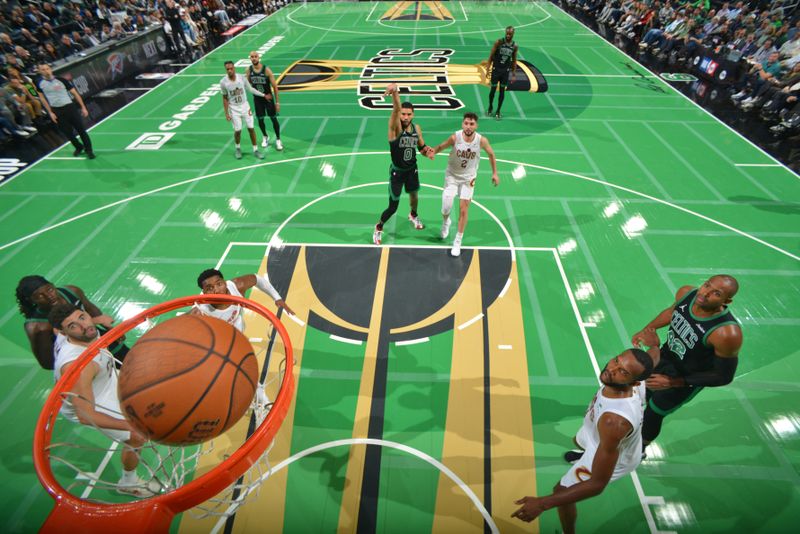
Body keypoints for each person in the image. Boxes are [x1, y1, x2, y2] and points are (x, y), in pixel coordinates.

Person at [511, 338, 660, 533]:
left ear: (634, 382)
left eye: (623, 372)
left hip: (614, 455)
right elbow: (653, 356)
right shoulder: (633, 380)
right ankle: (583, 453)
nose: (612, 369)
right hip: (597, 434)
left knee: (561, 492)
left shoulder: (614, 422)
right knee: (578, 440)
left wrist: (542, 504)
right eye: (616, 360)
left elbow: (597, 484)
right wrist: (655, 344)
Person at [48, 303, 155, 497]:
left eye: (82, 317)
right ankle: (128, 483)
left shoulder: (86, 330)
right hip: (93, 401)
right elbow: (85, 415)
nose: (83, 326)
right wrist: (128, 425)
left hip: (104, 378)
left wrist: (98, 320)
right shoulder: (77, 367)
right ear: (64, 333)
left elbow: (80, 324)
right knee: (137, 436)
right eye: (72, 326)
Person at [631, 275, 742, 452]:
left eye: (716, 293)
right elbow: (672, 311)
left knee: (653, 413)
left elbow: (724, 376)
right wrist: (647, 329)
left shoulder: (726, 333)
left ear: (726, 300)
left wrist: (673, 382)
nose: (705, 293)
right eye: (707, 285)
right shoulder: (687, 294)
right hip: (665, 358)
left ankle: (639, 450)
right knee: (640, 394)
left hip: (685, 378)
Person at [15, 275, 128, 370]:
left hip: (100, 340)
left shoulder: (71, 291)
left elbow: (93, 311)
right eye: (40, 296)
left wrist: (111, 329)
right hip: (81, 358)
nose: (49, 296)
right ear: (31, 300)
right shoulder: (38, 326)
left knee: (136, 364)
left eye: (49, 289)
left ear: (53, 285)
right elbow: (47, 363)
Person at [429, 112, 499, 257]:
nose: (468, 126)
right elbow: (442, 146)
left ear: (476, 125)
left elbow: (491, 154)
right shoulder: (456, 137)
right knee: (446, 207)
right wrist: (433, 151)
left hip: (468, 178)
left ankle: (458, 241)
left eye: (471, 124)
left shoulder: (481, 141)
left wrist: (495, 173)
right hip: (452, 176)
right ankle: (446, 222)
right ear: (462, 124)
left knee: (463, 209)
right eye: (466, 123)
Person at [372, 83, 434, 246]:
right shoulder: (395, 129)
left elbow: (420, 147)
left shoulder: (416, 128)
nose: (405, 117)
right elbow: (396, 110)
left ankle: (413, 214)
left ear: (413, 115)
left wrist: (427, 151)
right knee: (393, 207)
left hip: (412, 170)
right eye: (403, 114)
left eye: (409, 114)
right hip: (397, 173)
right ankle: (379, 226)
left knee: (414, 196)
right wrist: (395, 92)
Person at [192, 268, 294, 330]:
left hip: (236, 324)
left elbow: (257, 279)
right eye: (210, 288)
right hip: (217, 333)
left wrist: (277, 298)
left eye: (219, 284)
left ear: (225, 282)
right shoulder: (201, 310)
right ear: (204, 293)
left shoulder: (237, 286)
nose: (217, 290)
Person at [35, 63, 95, 159]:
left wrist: (83, 107)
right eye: (43, 69)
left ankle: (89, 150)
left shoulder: (61, 80)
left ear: (50, 69)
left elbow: (75, 93)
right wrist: (50, 112)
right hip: (56, 110)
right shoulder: (39, 83)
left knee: (81, 130)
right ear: (40, 71)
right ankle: (79, 147)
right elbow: (42, 98)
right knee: (67, 133)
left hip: (69, 107)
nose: (46, 71)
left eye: (47, 68)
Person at [221, 60, 266, 160]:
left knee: (251, 128)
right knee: (238, 130)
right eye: (227, 69)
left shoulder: (242, 78)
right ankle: (237, 148)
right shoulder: (223, 82)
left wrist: (263, 95)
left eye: (231, 68)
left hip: (245, 106)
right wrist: (226, 112)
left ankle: (255, 150)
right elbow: (224, 97)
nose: (229, 71)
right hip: (234, 108)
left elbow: (250, 89)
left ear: (234, 68)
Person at [246, 51, 283, 151]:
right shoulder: (248, 71)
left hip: (269, 99)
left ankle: (278, 139)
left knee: (273, 119)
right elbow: (248, 85)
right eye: (252, 57)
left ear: (259, 57)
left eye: (255, 56)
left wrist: (277, 102)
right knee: (260, 119)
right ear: (250, 58)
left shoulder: (266, 70)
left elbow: (275, 87)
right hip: (258, 100)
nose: (254, 58)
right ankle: (265, 137)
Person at [486, 26, 518, 119]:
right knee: (493, 90)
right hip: (496, 70)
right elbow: (491, 56)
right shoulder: (499, 42)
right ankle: (490, 106)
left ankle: (498, 111)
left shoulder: (514, 46)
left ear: (513, 34)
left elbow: (514, 60)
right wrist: (488, 69)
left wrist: (514, 74)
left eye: (510, 34)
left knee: (502, 91)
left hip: (505, 72)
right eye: (507, 33)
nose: (508, 35)